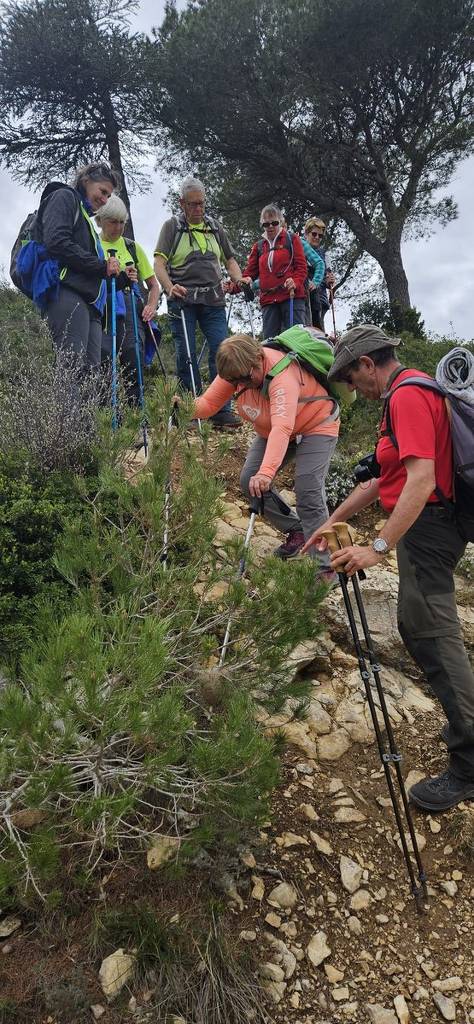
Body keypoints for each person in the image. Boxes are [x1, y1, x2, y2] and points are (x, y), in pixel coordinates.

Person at [302, 324, 474, 812]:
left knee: (430, 633)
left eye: (353, 381)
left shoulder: (405, 398)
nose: (354, 390)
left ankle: (469, 760)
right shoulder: (405, 395)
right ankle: (465, 720)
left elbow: (419, 482)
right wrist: (331, 521)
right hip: (429, 525)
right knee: (419, 627)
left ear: (368, 365)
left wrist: (376, 547)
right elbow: (386, 479)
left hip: (430, 527)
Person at [190, 333, 339, 563]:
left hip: (316, 423)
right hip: (274, 427)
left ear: (259, 358)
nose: (243, 385)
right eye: (236, 382)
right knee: (249, 479)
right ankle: (297, 530)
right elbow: (209, 404)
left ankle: (324, 565)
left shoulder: (282, 377)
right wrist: (180, 407)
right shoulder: (237, 370)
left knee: (308, 490)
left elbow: (282, 428)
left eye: (247, 379)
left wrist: (266, 473)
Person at [154, 176, 246, 428]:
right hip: (182, 301)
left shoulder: (215, 227)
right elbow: (159, 264)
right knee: (186, 355)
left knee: (223, 352)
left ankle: (220, 409)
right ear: (181, 203)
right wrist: (170, 288)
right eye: (193, 204)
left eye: (201, 204)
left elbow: (229, 260)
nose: (198, 209)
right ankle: (189, 410)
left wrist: (239, 278)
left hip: (213, 299)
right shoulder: (171, 227)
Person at [41, 162, 121, 369]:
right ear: (86, 181)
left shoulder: (84, 215)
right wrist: (101, 266)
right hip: (67, 292)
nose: (104, 200)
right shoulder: (64, 197)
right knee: (72, 367)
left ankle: (84, 404)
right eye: (102, 191)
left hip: (90, 303)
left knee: (90, 375)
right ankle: (64, 404)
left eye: (108, 196)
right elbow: (57, 242)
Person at [95, 195, 160, 404]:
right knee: (104, 358)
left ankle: (136, 413)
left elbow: (153, 285)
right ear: (100, 220)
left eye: (122, 222)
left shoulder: (132, 247)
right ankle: (109, 415)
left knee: (134, 355)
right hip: (102, 305)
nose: (119, 227)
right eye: (113, 222)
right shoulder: (92, 244)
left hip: (131, 305)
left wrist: (151, 306)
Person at [241, 206, 307, 339]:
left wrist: (295, 281)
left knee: (296, 342)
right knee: (270, 345)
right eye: (266, 224)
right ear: (262, 225)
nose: (270, 226)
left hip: (291, 297)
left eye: (274, 223)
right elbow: (250, 272)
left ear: (281, 222)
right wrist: (243, 281)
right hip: (269, 301)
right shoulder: (259, 246)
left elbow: (301, 267)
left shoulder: (292, 239)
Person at [303, 217, 336, 331]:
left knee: (317, 331)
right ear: (306, 233)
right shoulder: (299, 250)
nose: (317, 237)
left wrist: (329, 282)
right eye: (314, 234)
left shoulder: (325, 255)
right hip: (303, 299)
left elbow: (328, 279)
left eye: (320, 235)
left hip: (320, 300)